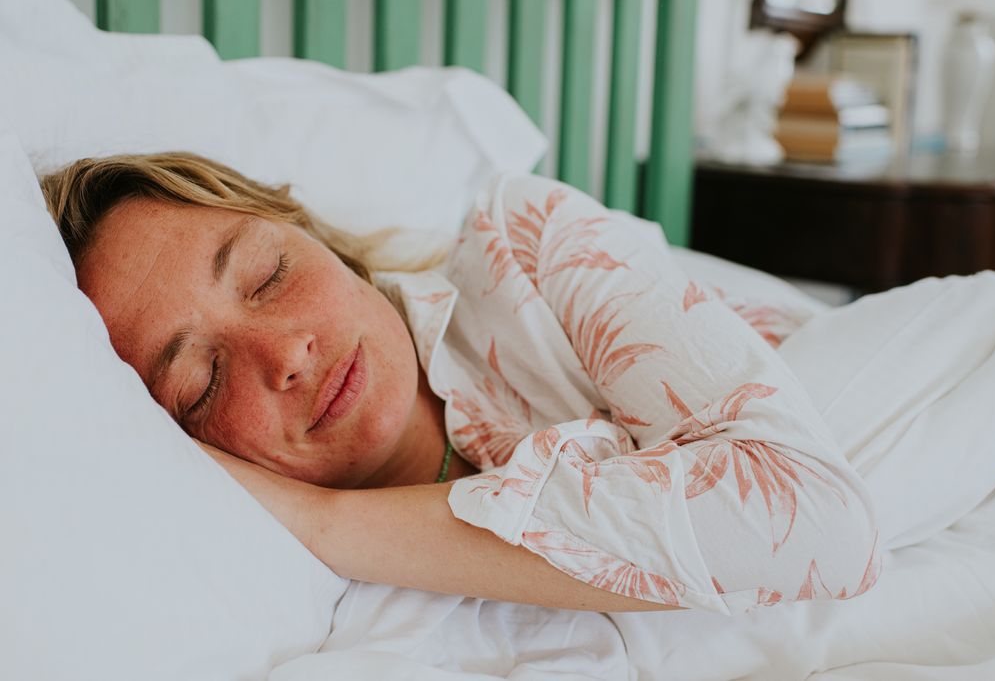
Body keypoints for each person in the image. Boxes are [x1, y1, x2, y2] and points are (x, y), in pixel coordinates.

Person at [40, 152, 880, 614]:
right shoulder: (284, 597)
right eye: (202, 382)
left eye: (267, 276)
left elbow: (816, 521)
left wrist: (329, 519)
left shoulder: (528, 246)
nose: (284, 354)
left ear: (308, 232)